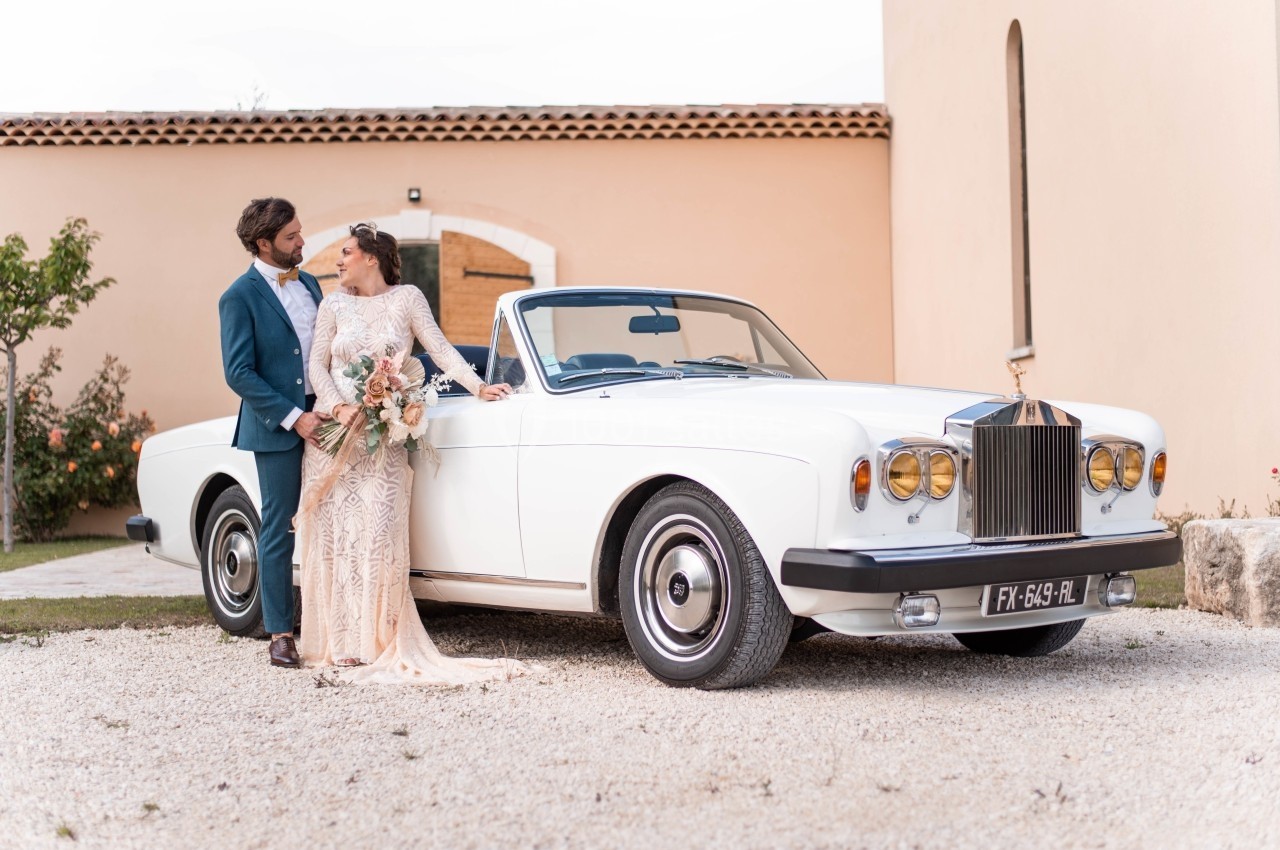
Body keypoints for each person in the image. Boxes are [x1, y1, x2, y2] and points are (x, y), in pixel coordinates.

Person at [296, 223, 527, 684]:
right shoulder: (333, 303)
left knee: (379, 537)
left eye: (345, 252)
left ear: (371, 257)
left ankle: (376, 641)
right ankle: (340, 643)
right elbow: (316, 365)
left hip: (384, 441)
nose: (338, 262)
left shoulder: (408, 299)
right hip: (335, 440)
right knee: (338, 539)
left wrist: (478, 386)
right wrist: (340, 407)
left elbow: (439, 348)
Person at [219, 197, 324, 668]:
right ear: (264, 243)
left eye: (300, 232)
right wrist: (293, 416)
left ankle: (338, 623)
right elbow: (239, 372)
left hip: (327, 419)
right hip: (278, 425)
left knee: (334, 520)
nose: (302, 241)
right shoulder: (237, 297)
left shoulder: (313, 284)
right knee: (278, 527)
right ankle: (281, 633)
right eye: (291, 237)